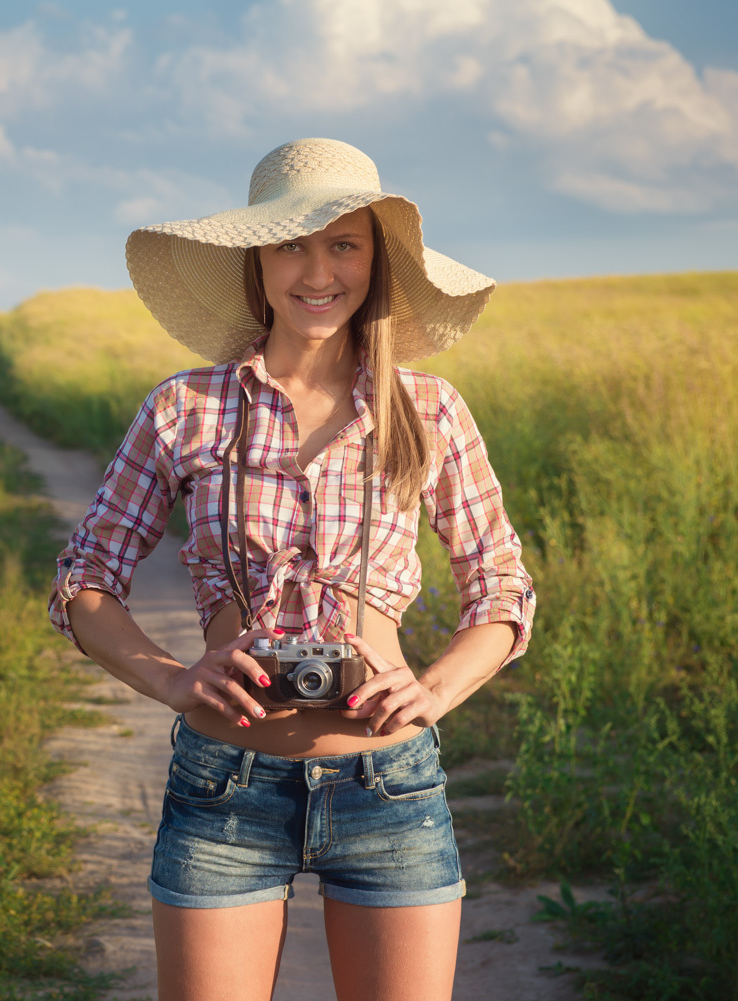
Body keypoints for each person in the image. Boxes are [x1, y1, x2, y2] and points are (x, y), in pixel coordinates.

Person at [48, 138, 535, 1001]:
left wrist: (437, 690)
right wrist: (171, 679)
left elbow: (499, 585)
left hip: (389, 783)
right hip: (224, 784)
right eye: (292, 245)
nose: (319, 271)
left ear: (376, 262)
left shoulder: (428, 409)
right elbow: (86, 580)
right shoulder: (184, 407)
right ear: (258, 263)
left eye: (343, 244)